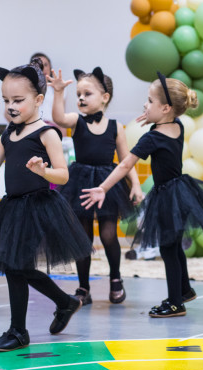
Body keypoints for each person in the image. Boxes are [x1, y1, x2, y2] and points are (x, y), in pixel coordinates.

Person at [81, 73, 203, 318]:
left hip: (167, 196)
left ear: (166, 107)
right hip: (181, 190)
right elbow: (161, 129)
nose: (145, 106)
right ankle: (184, 289)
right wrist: (153, 120)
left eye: (149, 101)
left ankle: (175, 303)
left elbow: (125, 165)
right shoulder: (176, 125)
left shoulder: (153, 137)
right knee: (174, 244)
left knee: (168, 249)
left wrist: (103, 187)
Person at [0, 60, 92, 351]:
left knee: (17, 266)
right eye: (6, 100)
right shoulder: (7, 134)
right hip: (13, 207)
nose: (11, 106)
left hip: (38, 208)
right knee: (16, 267)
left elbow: (62, 173)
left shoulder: (47, 133)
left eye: (18, 100)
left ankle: (19, 330)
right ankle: (63, 303)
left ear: (38, 100)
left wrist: (43, 172)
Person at [49, 67, 143, 305]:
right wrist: (59, 93)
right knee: (83, 236)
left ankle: (115, 278)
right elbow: (59, 118)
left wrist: (136, 185)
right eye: (79, 94)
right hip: (80, 181)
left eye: (87, 93)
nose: (81, 98)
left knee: (109, 233)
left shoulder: (116, 126)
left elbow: (126, 160)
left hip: (107, 183)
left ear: (105, 97)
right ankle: (83, 286)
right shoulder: (76, 121)